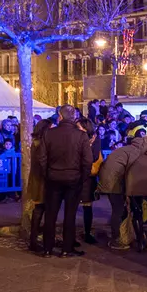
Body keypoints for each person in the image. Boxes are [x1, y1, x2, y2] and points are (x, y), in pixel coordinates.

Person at [38, 105, 93, 258]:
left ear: (60, 117)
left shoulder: (48, 133)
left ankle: (47, 248)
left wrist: (47, 173)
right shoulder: (81, 136)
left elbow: (42, 158)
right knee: (70, 214)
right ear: (74, 117)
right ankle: (66, 249)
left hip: (53, 177)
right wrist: (83, 177)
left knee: (51, 214)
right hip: (73, 179)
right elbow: (87, 161)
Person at [97, 123, 147, 250]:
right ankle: (116, 239)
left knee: (119, 209)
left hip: (111, 180)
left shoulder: (129, 149)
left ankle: (121, 234)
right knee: (118, 210)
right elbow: (131, 172)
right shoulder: (136, 151)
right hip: (113, 182)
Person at [28, 119, 54, 252]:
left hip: (37, 180)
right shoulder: (40, 144)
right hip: (41, 180)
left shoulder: (36, 142)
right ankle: (35, 240)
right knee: (40, 209)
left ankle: (34, 239)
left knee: (39, 209)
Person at [77, 118, 102, 245]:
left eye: (79, 127)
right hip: (75, 176)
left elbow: (94, 157)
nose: (77, 130)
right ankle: (70, 235)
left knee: (87, 207)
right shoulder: (75, 139)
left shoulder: (95, 140)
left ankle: (87, 233)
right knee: (72, 206)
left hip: (88, 177)